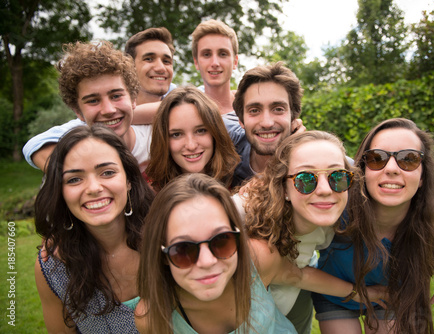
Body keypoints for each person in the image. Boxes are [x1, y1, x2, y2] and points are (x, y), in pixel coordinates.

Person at [313, 118, 434, 334]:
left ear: (423, 176)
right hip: (336, 296)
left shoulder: (426, 230)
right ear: (363, 170)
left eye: (408, 159)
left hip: (389, 296)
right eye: (377, 158)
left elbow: (418, 260)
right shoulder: (337, 209)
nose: (391, 169)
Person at [241, 131, 373, 334]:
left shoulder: (327, 222)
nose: (324, 190)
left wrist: (358, 293)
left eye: (337, 176)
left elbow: (296, 275)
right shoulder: (240, 214)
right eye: (306, 179)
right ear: (283, 188)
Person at [135, 173, 297, 334]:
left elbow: (299, 277)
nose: (207, 261)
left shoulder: (260, 258)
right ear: (163, 255)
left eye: (221, 240)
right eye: (183, 249)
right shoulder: (152, 318)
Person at [34, 125, 155, 333]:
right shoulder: (54, 267)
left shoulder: (167, 238)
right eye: (74, 179)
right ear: (60, 191)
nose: (94, 188)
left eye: (107, 173)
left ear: (128, 180)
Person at [23, 27, 176, 170]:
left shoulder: (175, 102)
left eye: (116, 96)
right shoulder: (83, 130)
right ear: (78, 111)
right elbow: (35, 145)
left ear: (132, 97)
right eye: (149, 59)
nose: (109, 110)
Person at [146, 85, 239, 191]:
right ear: (163, 140)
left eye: (200, 131)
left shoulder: (241, 182)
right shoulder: (149, 193)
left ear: (216, 132)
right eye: (176, 134)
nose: (191, 145)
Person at [229, 61, 305, 187]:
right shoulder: (227, 151)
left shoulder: (319, 166)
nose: (267, 123)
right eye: (254, 111)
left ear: (293, 117)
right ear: (241, 120)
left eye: (278, 109)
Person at [191, 19, 239, 120]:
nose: (215, 63)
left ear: (235, 61)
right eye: (206, 54)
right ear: (196, 62)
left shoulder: (249, 108)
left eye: (223, 54)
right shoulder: (186, 109)